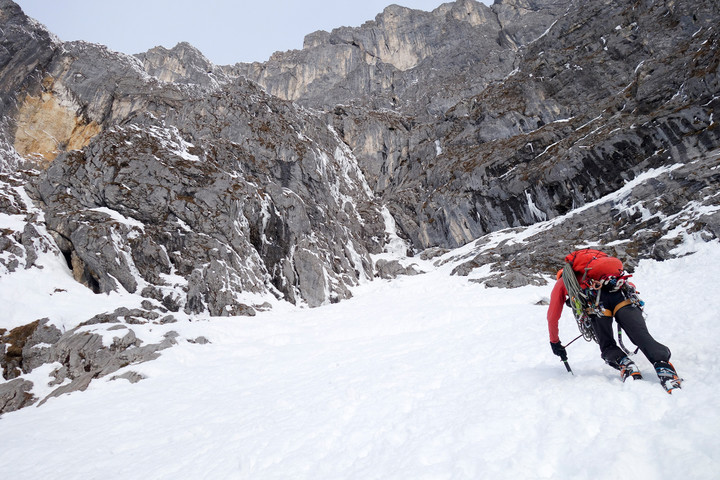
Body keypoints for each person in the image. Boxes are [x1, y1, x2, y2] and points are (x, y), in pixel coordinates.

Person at [547, 248, 682, 392]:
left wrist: (554, 342)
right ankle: (663, 365)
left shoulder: (563, 282)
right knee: (640, 335)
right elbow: (630, 286)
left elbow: (552, 316)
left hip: (596, 305)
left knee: (607, 345)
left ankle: (626, 365)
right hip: (622, 295)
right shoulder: (602, 271)